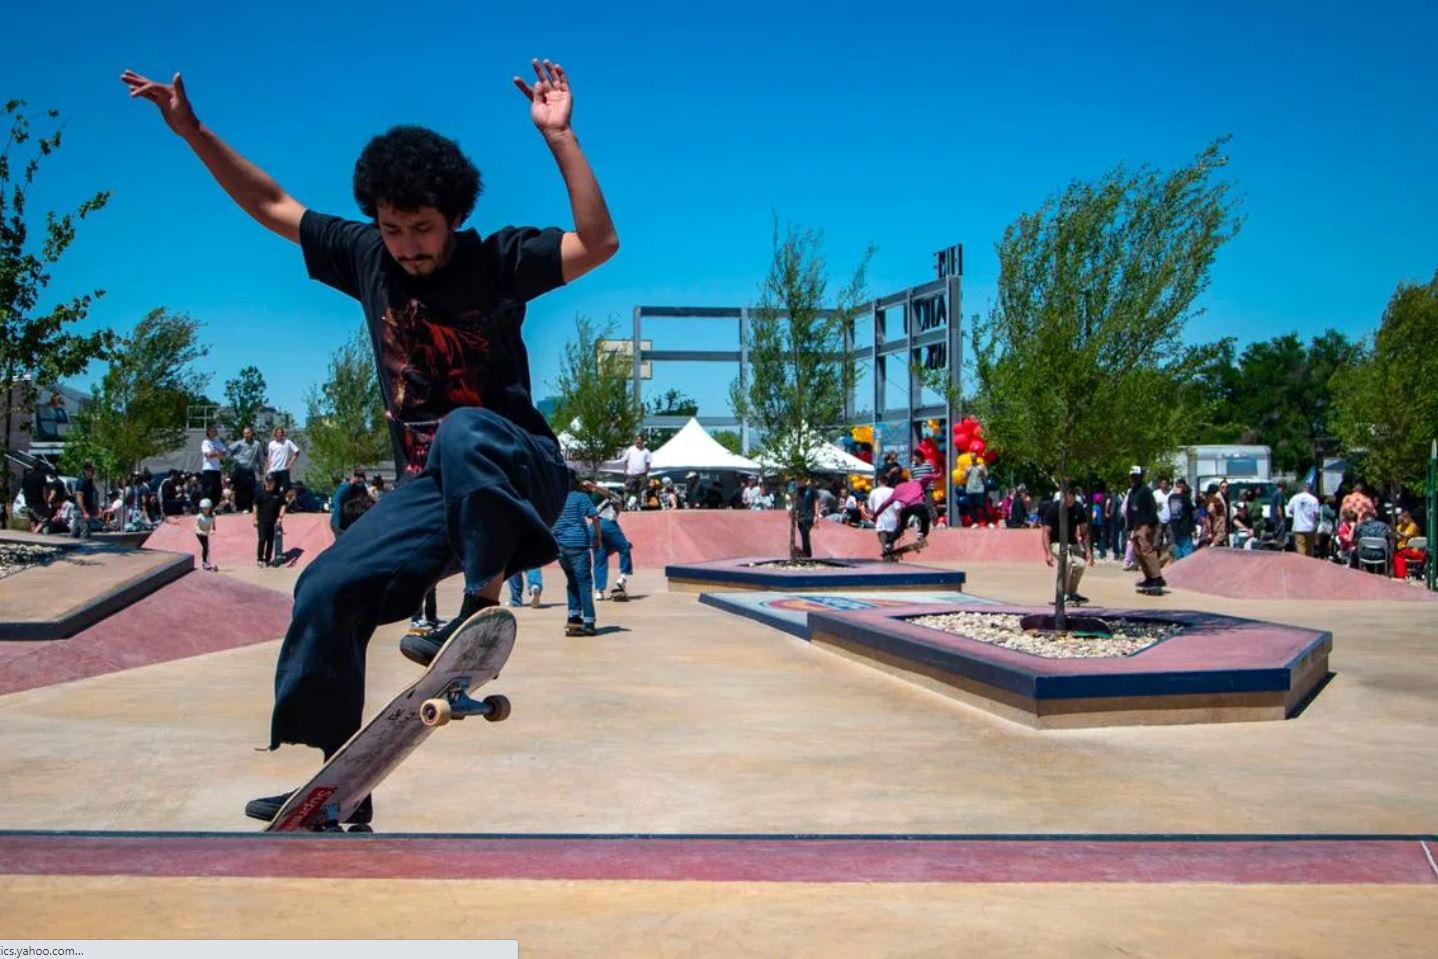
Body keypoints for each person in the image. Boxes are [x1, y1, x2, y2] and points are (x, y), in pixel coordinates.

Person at [123, 54, 618, 826]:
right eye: (393, 230)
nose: (408, 246)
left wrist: (561, 139)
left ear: (452, 216)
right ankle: (336, 784)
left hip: (519, 468)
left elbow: (599, 241)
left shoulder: (499, 259)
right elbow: (272, 203)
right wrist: (194, 134)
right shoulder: (366, 258)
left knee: (461, 430)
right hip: (433, 496)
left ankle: (477, 605)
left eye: (422, 229)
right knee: (323, 589)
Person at [553, 470, 600, 636]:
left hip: (560, 546)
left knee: (571, 581)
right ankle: (589, 622)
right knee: (585, 584)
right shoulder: (581, 497)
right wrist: (598, 538)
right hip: (578, 545)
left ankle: (573, 619)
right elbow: (594, 517)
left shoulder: (555, 498)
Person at [1040, 485, 1092, 604]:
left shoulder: (1078, 508)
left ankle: (1071, 593)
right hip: (1056, 543)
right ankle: (1062, 593)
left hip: (1072, 543)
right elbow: (1045, 533)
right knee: (1067, 562)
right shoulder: (1054, 508)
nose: (1070, 500)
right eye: (1067, 497)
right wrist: (1048, 553)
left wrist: (1088, 551)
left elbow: (1084, 532)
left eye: (1072, 497)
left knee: (1081, 564)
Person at [588, 480, 632, 600]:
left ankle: (599, 591)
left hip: (593, 527)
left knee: (599, 559)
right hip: (607, 524)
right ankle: (622, 577)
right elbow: (608, 493)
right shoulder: (616, 498)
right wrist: (595, 486)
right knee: (625, 547)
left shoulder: (592, 502)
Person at [1125, 466, 1165, 590]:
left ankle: (1157, 578)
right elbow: (1129, 511)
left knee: (1146, 549)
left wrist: (1149, 526)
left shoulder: (1146, 490)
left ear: (1140, 477)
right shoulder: (1132, 493)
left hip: (1147, 523)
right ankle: (1149, 577)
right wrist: (1129, 528)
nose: (1134, 479)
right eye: (1132, 477)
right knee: (1138, 552)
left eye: (1136, 477)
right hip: (1137, 525)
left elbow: (1152, 508)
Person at [229, 425, 265, 512]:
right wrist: (234, 459)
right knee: (239, 489)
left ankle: (248, 507)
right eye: (244, 433)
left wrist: (261, 472)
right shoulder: (239, 443)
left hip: (250, 469)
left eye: (248, 433)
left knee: (249, 489)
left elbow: (260, 459)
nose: (246, 435)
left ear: (251, 433)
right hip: (239, 469)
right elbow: (227, 450)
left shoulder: (256, 444)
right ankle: (239, 507)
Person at [253, 473, 285, 568]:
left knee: (271, 541)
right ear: (265, 482)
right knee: (262, 539)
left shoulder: (278, 494)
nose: (270, 483)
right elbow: (255, 505)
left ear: (274, 483)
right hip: (262, 521)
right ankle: (260, 559)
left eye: (272, 482)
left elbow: (283, 505)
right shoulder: (260, 493)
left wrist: (280, 517)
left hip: (273, 521)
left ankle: (267, 559)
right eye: (268, 481)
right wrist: (254, 519)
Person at [866, 470, 900, 555]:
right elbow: (897, 507)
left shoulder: (874, 492)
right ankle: (890, 554)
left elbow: (870, 508)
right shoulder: (893, 491)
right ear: (887, 482)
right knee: (891, 541)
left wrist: (873, 517)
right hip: (892, 518)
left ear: (878, 482)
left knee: (883, 539)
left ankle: (886, 554)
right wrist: (899, 518)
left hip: (880, 518)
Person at [1285, 481, 1321, 557]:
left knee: (1300, 547)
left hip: (1299, 527)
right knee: (1309, 548)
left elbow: (1290, 510)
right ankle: (1309, 564)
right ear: (1310, 489)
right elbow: (1317, 513)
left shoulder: (1295, 498)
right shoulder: (1314, 499)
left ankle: (1302, 565)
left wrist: (1297, 514)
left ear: (1303, 488)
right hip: (1310, 527)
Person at [1167, 478, 1198, 561]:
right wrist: (1193, 527)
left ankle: (1179, 564)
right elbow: (1191, 513)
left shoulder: (1171, 498)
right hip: (1185, 527)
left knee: (1178, 547)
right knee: (1186, 548)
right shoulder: (1185, 499)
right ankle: (1187, 566)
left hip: (1174, 527)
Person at [200, 424, 229, 506]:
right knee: (209, 489)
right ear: (209, 432)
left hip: (216, 469)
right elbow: (208, 455)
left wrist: (216, 452)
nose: (215, 432)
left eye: (215, 431)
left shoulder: (218, 442)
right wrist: (217, 453)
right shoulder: (206, 442)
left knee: (218, 489)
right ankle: (205, 506)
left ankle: (215, 506)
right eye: (213, 431)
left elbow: (224, 455)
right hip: (208, 469)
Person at [620, 434, 651, 510]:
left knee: (640, 491)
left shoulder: (646, 451)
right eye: (637, 440)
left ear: (643, 441)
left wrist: (646, 473)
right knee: (628, 490)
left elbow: (648, 463)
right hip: (631, 474)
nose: (638, 441)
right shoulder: (630, 450)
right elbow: (625, 461)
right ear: (635, 441)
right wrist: (625, 471)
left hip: (642, 474)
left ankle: (638, 505)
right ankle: (625, 505)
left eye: (640, 440)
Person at [266, 426, 301, 493]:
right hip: (274, 470)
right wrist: (269, 468)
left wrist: (290, 463)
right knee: (273, 490)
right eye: (278, 433)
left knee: (284, 490)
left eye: (281, 433)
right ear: (275, 434)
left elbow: (297, 452)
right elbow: (269, 457)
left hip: (283, 470)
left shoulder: (287, 442)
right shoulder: (271, 444)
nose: (280, 434)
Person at [1393, 509, 1425, 580]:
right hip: (1403, 549)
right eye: (1402, 517)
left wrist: (1398, 532)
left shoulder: (1412, 525)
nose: (1403, 519)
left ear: (1408, 517)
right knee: (1395, 554)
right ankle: (1398, 574)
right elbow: (1398, 537)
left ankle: (1401, 575)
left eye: (1405, 517)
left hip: (1414, 551)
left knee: (1399, 555)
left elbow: (1406, 535)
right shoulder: (1399, 526)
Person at [791, 475, 818, 558]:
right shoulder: (798, 490)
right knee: (803, 536)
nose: (798, 483)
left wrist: (816, 515)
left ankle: (807, 555)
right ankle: (806, 554)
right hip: (800, 516)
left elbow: (816, 501)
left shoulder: (811, 488)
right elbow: (796, 502)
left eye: (799, 481)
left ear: (804, 480)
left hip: (808, 516)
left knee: (805, 535)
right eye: (797, 481)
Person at [72, 463, 99, 540]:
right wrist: (84, 512)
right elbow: (79, 497)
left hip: (83, 510)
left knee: (75, 531)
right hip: (81, 510)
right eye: (90, 470)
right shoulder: (82, 481)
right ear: (85, 471)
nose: (93, 472)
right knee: (85, 531)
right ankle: (83, 548)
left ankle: (71, 547)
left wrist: (93, 508)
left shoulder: (89, 482)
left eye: (93, 470)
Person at [195, 498, 217, 571]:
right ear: (201, 509)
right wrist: (201, 532)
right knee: (205, 546)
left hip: (206, 533)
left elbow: (214, 526)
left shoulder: (213, 515)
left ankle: (206, 562)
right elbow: (196, 528)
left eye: (207, 508)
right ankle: (204, 562)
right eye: (204, 509)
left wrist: (213, 530)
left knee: (206, 547)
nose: (206, 510)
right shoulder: (199, 517)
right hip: (200, 533)